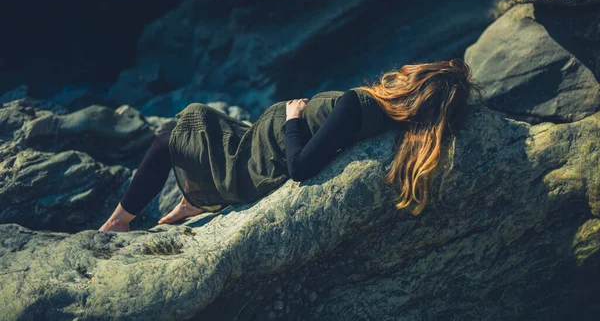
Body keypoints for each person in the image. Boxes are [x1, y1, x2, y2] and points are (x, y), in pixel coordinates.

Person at [99, 58, 483, 232]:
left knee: (173, 134)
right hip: (255, 142)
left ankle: (118, 222)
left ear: (411, 86)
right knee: (203, 121)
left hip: (256, 160)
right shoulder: (386, 121)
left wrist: (293, 118)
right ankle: (194, 201)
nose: (400, 73)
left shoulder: (358, 105)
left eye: (409, 74)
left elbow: (300, 168)